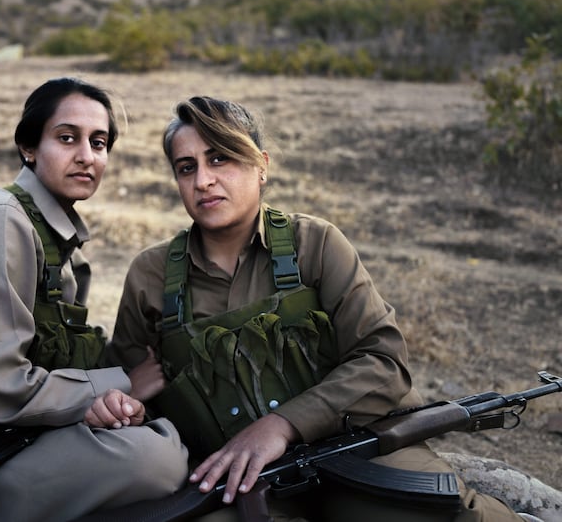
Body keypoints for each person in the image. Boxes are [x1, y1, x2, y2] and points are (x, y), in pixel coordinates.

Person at [109, 95, 525, 521]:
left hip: (356, 450)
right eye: (187, 167)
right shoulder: (152, 275)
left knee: (436, 514)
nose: (203, 180)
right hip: (237, 480)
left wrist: (282, 424)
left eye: (220, 159)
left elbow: (383, 360)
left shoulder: (316, 244)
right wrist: (130, 405)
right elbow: (130, 392)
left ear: (262, 165)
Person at [0, 77, 189, 522]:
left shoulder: (54, 236)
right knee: (158, 458)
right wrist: (120, 385)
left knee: (153, 435)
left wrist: (108, 401)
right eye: (67, 138)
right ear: (29, 146)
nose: (86, 156)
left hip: (3, 433)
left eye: (98, 143)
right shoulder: (0, 220)